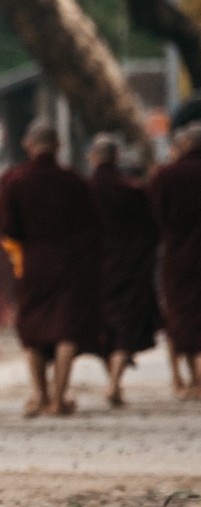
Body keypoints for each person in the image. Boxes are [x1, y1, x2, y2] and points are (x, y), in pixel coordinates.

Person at [0, 121, 100, 417]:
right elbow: (93, 227)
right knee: (66, 329)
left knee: (33, 327)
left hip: (35, 262)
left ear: (27, 145)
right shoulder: (76, 182)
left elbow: (9, 230)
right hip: (70, 264)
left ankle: (40, 397)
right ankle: (59, 399)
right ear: (59, 146)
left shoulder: (16, 182)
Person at [87, 134, 159, 407]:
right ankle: (114, 384)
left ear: (92, 157)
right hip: (129, 265)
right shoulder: (134, 190)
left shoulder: (84, 190)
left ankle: (113, 382)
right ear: (117, 158)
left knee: (104, 324)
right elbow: (153, 228)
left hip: (95, 267)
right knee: (125, 323)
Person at [150, 123, 201, 400]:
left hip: (178, 254)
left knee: (179, 314)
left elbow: (155, 217)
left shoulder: (166, 176)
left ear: (182, 146)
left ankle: (183, 378)